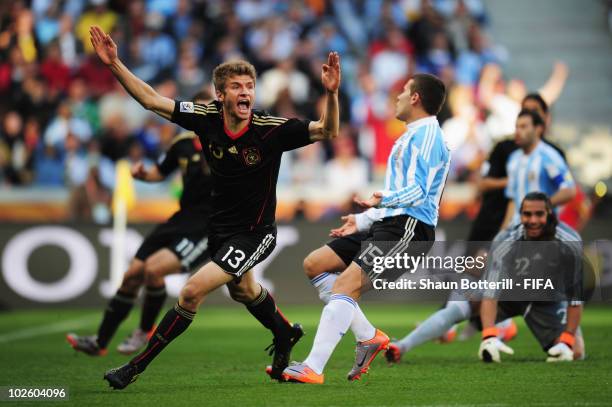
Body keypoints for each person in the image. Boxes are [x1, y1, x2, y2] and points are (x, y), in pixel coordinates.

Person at [86, 25, 341, 389]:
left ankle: (134, 368)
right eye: (237, 87)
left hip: (256, 233)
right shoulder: (205, 119)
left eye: (249, 86)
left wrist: (331, 94)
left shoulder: (270, 129)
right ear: (220, 94)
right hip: (219, 229)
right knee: (243, 292)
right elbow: (151, 100)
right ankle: (284, 333)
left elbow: (327, 131)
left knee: (191, 292)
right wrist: (114, 65)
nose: (245, 92)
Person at [282, 73, 449, 384]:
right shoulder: (410, 135)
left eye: (403, 91)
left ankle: (313, 367)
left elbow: (420, 192)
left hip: (410, 230)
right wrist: (363, 220)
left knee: (346, 287)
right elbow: (403, 195)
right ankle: (368, 335)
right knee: (315, 264)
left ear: (415, 98)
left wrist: (380, 199)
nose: (397, 96)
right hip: (391, 223)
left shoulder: (428, 137)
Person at [66, 92, 213, 357]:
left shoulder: (226, 144)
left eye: (207, 112)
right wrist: (144, 175)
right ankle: (100, 341)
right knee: (132, 274)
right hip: (180, 218)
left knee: (153, 272)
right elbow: (161, 171)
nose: (202, 119)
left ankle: (143, 331)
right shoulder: (182, 144)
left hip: (207, 226)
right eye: (197, 113)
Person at [478, 192, 585, 363]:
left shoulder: (570, 242)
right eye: (527, 214)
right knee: (466, 298)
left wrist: (567, 340)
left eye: (539, 214)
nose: (533, 220)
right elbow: (490, 293)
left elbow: (576, 299)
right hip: (510, 294)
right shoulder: (505, 240)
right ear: (520, 215)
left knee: (576, 353)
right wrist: (489, 336)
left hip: (548, 301)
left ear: (549, 213)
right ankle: (452, 326)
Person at [501, 109, 576, 229]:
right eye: (517, 127)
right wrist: (503, 231)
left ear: (538, 129)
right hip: (517, 231)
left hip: (542, 231)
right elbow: (512, 200)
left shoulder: (549, 157)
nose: (518, 131)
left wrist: (540, 207)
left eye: (524, 127)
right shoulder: (513, 159)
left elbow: (568, 190)